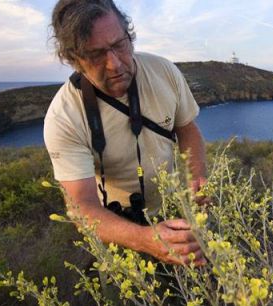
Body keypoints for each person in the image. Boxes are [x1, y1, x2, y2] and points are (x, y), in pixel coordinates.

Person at [45, 0, 207, 266]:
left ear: (129, 36)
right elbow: (81, 208)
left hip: (177, 216)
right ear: (74, 60)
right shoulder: (64, 117)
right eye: (96, 54)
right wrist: (146, 240)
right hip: (117, 233)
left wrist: (196, 177)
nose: (115, 64)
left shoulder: (164, 72)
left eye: (120, 45)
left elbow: (187, 129)